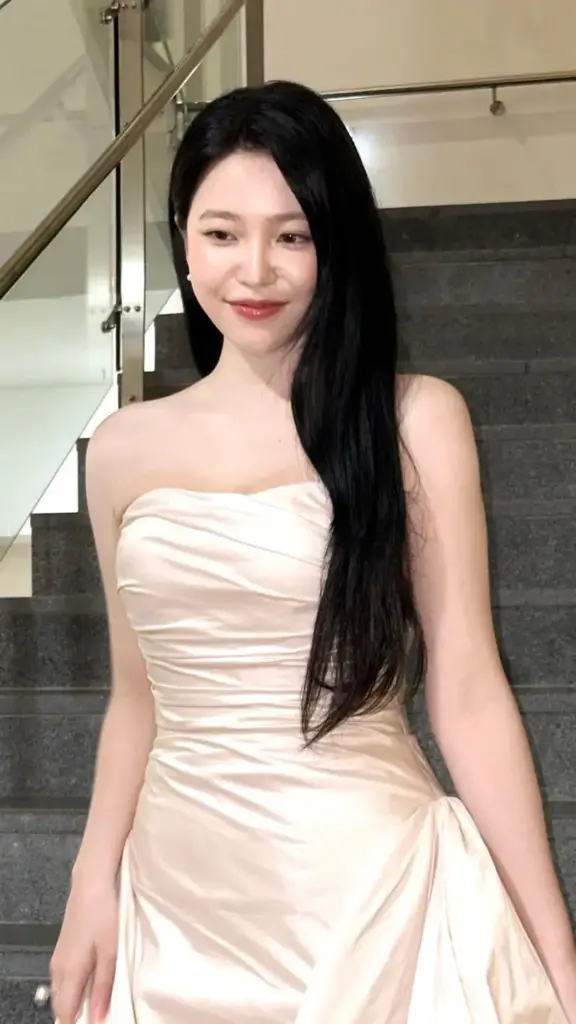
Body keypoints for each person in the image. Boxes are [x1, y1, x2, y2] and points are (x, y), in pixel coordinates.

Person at [49, 80, 575, 1024]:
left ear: (337, 242)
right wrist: (94, 879)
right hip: (177, 906)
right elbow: (138, 697)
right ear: (181, 237)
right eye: (222, 233)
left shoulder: (415, 419)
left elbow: (467, 691)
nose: (254, 271)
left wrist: (558, 958)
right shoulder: (123, 448)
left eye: (292, 235)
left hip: (366, 896)